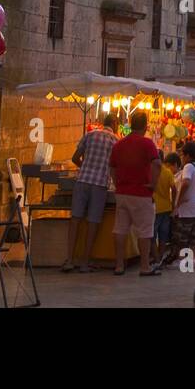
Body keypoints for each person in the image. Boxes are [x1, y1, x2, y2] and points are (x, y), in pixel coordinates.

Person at [61, 113, 120, 272]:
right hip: (100, 184)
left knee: (75, 219)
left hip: (82, 181)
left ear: (102, 123)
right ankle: (85, 262)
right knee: (93, 222)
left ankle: (70, 260)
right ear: (114, 124)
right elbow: (115, 166)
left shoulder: (89, 134)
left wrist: (85, 167)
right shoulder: (115, 140)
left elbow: (75, 158)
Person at [109, 110, 163, 277]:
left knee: (120, 229)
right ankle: (145, 266)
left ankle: (119, 265)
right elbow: (157, 164)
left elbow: (112, 167)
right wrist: (153, 184)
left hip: (122, 192)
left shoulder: (119, 144)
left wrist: (117, 181)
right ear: (146, 126)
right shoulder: (147, 144)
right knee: (145, 230)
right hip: (141, 192)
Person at [171, 141, 195, 262]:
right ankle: (191, 260)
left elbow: (186, 182)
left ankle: (183, 262)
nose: (182, 158)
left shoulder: (188, 167)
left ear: (187, 155)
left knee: (183, 236)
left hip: (187, 207)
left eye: (182, 155)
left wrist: (179, 199)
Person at [153, 152, 179, 267]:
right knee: (163, 235)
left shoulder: (151, 171)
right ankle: (160, 256)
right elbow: (174, 189)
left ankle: (156, 258)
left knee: (152, 235)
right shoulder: (167, 172)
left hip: (154, 208)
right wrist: (173, 204)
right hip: (166, 207)